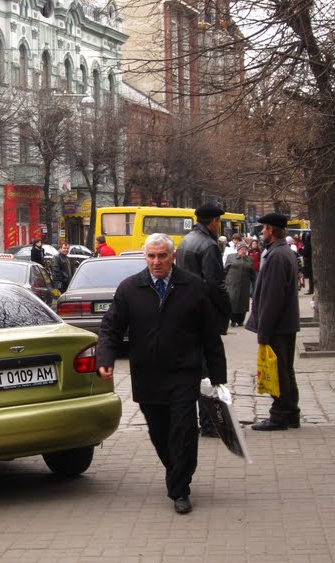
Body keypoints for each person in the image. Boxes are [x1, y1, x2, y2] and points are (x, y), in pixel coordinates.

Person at [96, 232, 227, 515]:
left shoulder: (193, 286)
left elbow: (210, 335)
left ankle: (180, 488)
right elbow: (111, 327)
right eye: (151, 256)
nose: (156, 262)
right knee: (159, 432)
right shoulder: (130, 288)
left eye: (162, 256)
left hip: (183, 372)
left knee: (184, 430)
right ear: (145, 257)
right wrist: (105, 358)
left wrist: (218, 376)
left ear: (173, 257)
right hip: (147, 374)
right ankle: (177, 470)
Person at [175, 203, 231, 436]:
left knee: (195, 369)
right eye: (219, 221)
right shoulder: (208, 245)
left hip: (187, 311)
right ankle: (209, 423)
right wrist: (227, 308)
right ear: (214, 221)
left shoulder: (186, 241)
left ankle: (196, 420)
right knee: (209, 371)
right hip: (204, 313)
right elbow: (215, 284)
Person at [246, 212, 301, 431]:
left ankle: (280, 415)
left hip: (277, 325)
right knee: (286, 369)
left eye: (264, 228)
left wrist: (264, 331)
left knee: (278, 370)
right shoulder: (282, 252)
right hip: (284, 323)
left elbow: (272, 296)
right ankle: (290, 413)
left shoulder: (277, 255)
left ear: (271, 230)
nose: (261, 232)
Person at [224, 242, 255, 327]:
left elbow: (253, 274)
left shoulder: (250, 259)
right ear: (238, 249)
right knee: (232, 301)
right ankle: (233, 320)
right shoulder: (231, 257)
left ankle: (240, 320)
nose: (244, 251)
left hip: (244, 285)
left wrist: (255, 284)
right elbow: (225, 270)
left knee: (243, 303)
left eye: (245, 249)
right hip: (231, 284)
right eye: (242, 249)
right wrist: (222, 281)